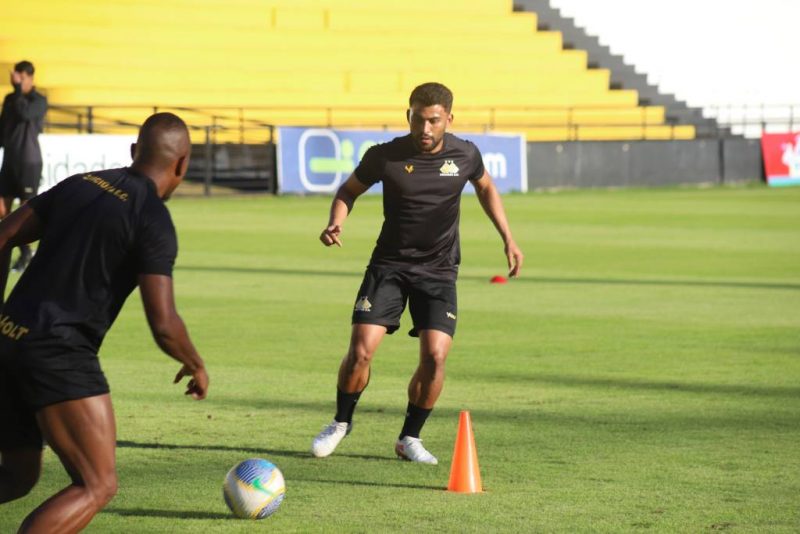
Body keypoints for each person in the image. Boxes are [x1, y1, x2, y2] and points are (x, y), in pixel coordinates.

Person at [0, 112, 208, 533]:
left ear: (134, 152)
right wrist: (196, 363)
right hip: (58, 353)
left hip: (6, 338)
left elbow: (3, 234)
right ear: (183, 164)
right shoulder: (152, 219)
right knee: (97, 484)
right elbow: (164, 323)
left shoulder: (81, 184)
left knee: (19, 477)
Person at [311, 82, 523, 464]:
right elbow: (348, 191)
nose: (424, 129)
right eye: (417, 119)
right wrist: (335, 222)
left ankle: (409, 437)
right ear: (407, 115)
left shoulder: (466, 154)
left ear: (448, 119)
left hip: (439, 272)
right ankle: (341, 422)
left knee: (436, 357)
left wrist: (508, 237)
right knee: (361, 352)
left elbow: (486, 187)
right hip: (388, 267)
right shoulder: (384, 156)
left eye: (433, 121)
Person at [0, 60, 48, 272]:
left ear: (29, 77)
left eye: (21, 77)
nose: (17, 81)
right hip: (9, 160)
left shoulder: (38, 100)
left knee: (25, 211)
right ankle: (21, 251)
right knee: (2, 209)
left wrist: (18, 89)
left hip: (29, 162)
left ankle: (25, 253)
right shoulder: (10, 99)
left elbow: (25, 114)